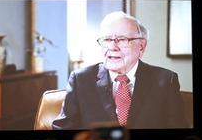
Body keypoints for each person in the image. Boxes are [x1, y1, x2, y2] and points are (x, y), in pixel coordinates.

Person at [52, 11, 189, 129]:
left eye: (122, 39)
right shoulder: (80, 80)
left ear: (141, 46)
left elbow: (176, 133)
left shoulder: (166, 80)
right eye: (106, 39)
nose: (112, 46)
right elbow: (63, 130)